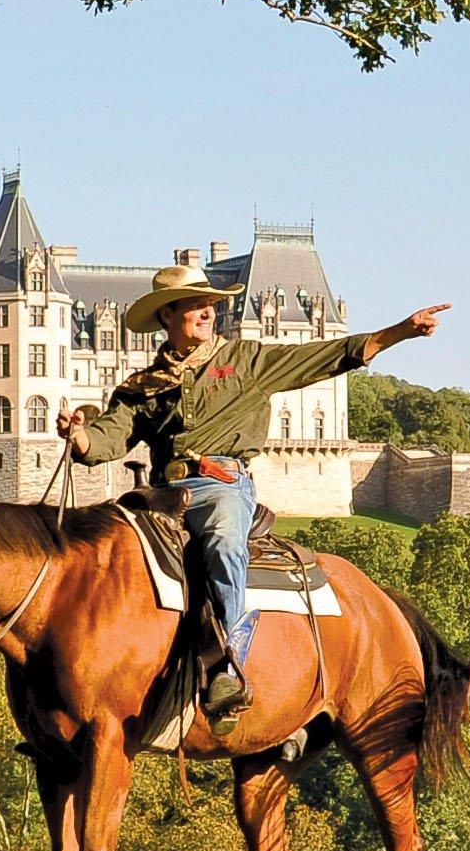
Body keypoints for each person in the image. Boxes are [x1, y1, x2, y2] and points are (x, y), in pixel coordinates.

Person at [62, 265, 447, 747]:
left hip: (220, 486)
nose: (208, 311)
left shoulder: (244, 360)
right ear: (168, 315)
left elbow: (326, 356)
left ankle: (226, 664)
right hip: (159, 494)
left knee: (223, 543)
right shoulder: (142, 385)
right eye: (195, 304)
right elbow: (108, 438)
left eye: (211, 304)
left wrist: (400, 332)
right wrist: (77, 435)